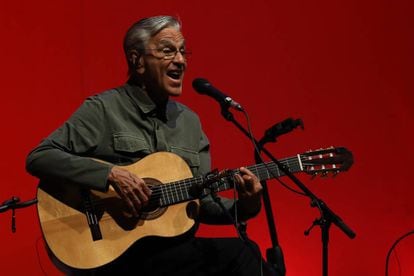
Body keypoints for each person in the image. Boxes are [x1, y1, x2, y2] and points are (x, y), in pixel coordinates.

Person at [27, 15, 270, 276]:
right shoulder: (105, 109)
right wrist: (110, 175)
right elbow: (40, 157)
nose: (180, 60)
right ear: (137, 60)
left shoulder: (190, 123)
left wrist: (247, 205)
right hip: (115, 253)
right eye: (168, 51)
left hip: (173, 254)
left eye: (182, 51)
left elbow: (203, 204)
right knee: (241, 255)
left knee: (249, 254)